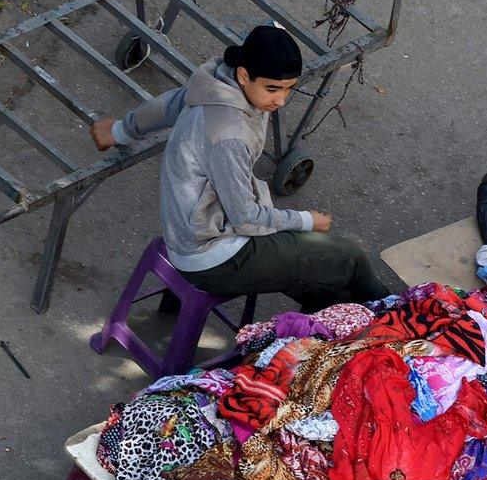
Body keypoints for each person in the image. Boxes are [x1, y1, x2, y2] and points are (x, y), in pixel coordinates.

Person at [90, 24, 389, 312]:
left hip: (196, 229)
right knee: (350, 258)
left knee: (335, 287)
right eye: (273, 89)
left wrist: (119, 131)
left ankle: (340, 326)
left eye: (289, 90)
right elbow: (246, 218)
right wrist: (306, 221)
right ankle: (395, 309)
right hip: (214, 253)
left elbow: (169, 105)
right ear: (244, 75)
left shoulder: (215, 82)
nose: (281, 100)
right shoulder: (229, 136)